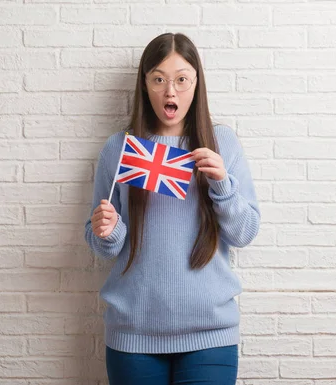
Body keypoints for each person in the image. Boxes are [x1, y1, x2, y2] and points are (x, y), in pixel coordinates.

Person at [83, 32, 260, 385]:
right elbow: (103, 243)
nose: (170, 91)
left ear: (196, 84)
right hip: (134, 335)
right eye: (159, 79)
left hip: (211, 335)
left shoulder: (222, 142)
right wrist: (107, 229)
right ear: (145, 84)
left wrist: (222, 185)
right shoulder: (119, 148)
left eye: (182, 80)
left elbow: (244, 233)